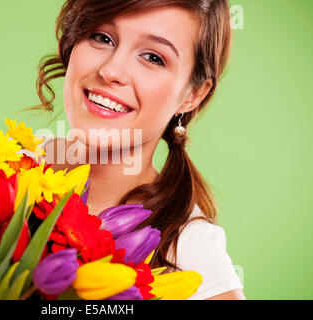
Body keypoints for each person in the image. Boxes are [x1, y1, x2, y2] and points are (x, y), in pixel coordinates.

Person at [34, 0, 245, 300]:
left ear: (193, 94)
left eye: (153, 58)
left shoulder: (188, 250)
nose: (111, 71)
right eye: (102, 37)